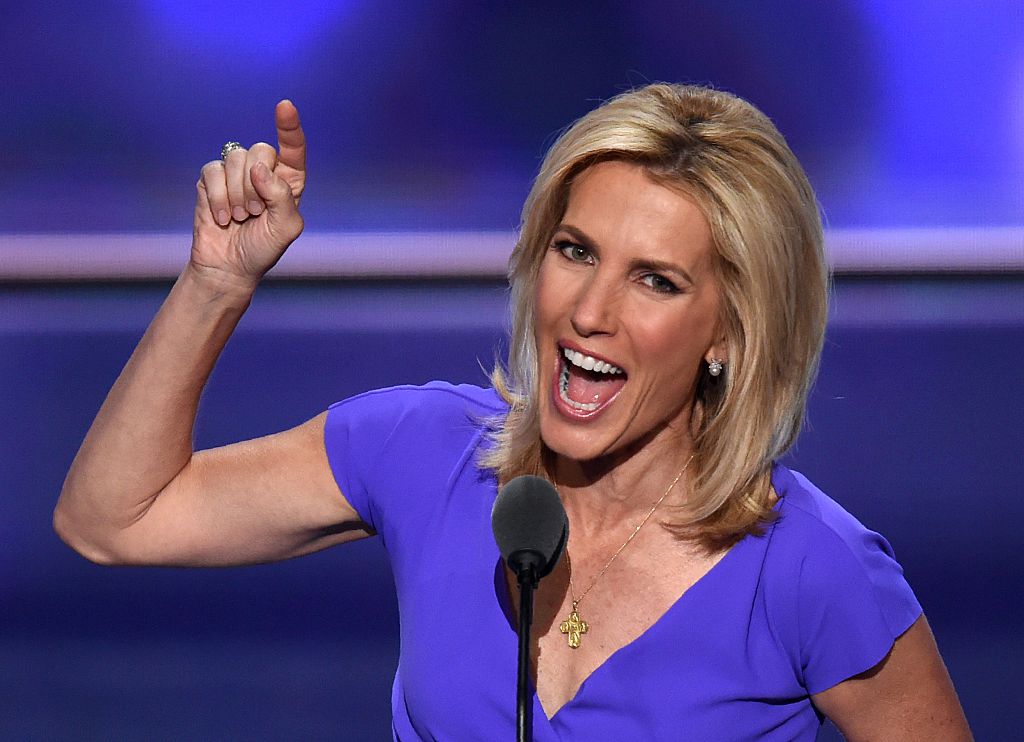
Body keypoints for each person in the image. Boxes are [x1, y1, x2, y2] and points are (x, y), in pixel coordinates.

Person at [54, 84, 972, 740]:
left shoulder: (816, 571)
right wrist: (216, 284)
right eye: (575, 251)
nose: (590, 311)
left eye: (654, 280)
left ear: (729, 335)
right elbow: (113, 520)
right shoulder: (426, 454)